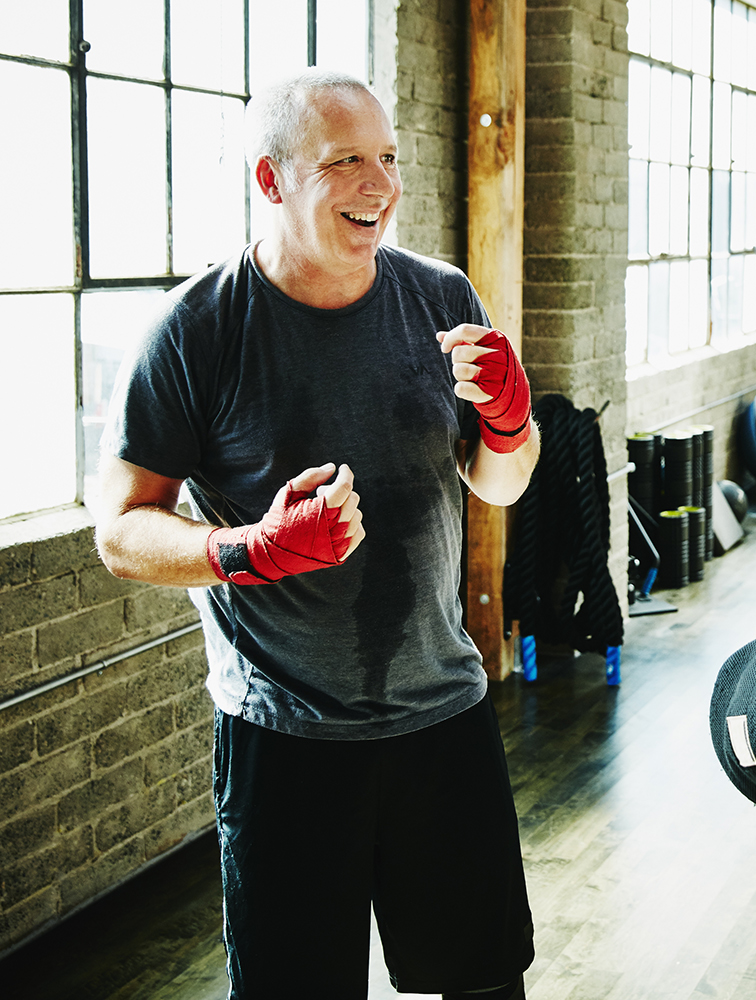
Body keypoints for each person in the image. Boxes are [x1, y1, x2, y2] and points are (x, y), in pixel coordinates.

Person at [93, 69, 540, 999]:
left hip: (441, 714)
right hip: (284, 735)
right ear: (271, 181)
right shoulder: (197, 331)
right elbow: (121, 529)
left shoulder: (439, 296)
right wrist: (246, 552)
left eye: (387, 158)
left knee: (486, 982)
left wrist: (509, 427)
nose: (379, 185)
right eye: (345, 162)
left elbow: (497, 485)